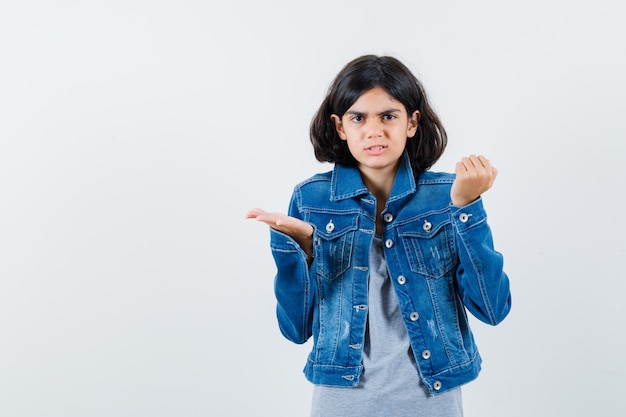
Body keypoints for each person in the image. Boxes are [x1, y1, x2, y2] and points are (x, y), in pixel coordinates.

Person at [246, 54, 511, 417]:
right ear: (340, 127)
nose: (374, 131)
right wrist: (301, 252)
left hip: (431, 399)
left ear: (412, 123)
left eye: (388, 116)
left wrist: (467, 208)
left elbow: (492, 308)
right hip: (341, 398)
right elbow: (295, 329)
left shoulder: (448, 195)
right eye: (358, 117)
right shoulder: (310, 199)